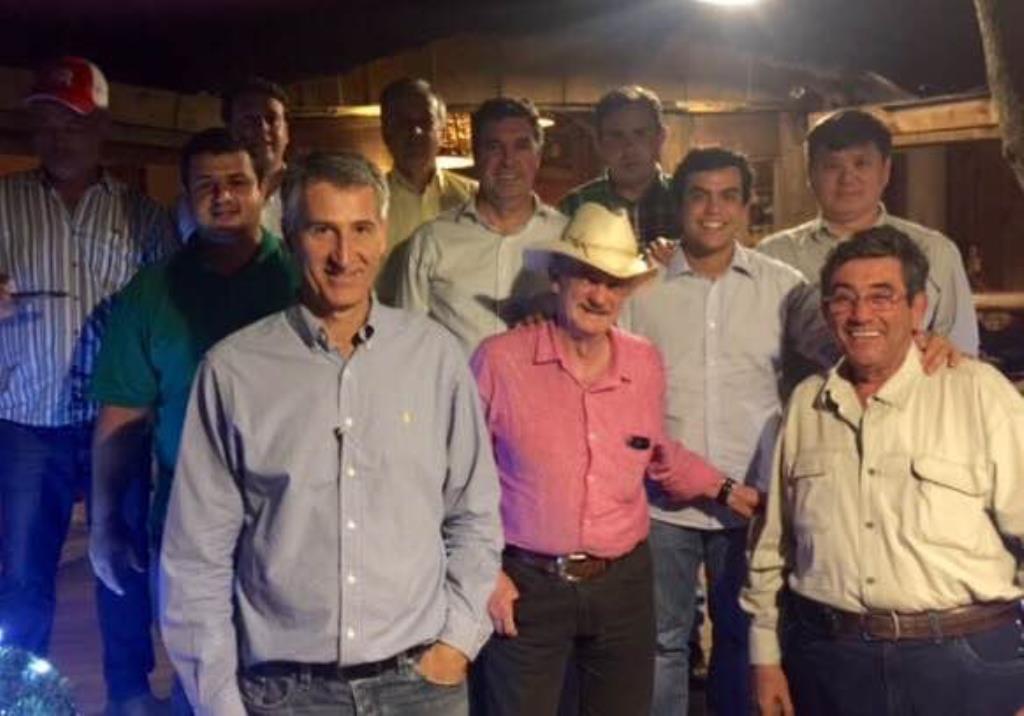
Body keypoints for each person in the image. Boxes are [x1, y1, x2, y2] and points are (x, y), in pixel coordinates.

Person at [160, 151, 502, 715]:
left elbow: (475, 513)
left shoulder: (435, 358)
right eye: (323, 231)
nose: (345, 255)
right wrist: (217, 701)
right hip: (284, 694)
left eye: (361, 229)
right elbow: (197, 555)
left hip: (419, 685)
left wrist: (457, 642)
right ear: (291, 236)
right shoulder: (234, 371)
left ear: (383, 235)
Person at [472, 202, 759, 716]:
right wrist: (485, 574)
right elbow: (460, 479)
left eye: (614, 283)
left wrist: (726, 490)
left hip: (624, 586)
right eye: (588, 277)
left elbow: (656, 452)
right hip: (527, 583)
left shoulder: (643, 361)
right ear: (557, 277)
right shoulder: (499, 360)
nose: (600, 295)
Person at [743, 226, 1024, 715]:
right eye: (844, 298)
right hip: (830, 661)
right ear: (827, 312)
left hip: (964, 662)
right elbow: (773, 545)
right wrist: (765, 657)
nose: (860, 315)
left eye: (882, 297)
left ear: (918, 309)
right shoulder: (807, 404)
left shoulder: (979, 393)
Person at [89, 126, 299, 714]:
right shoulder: (151, 293)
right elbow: (121, 417)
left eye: (237, 182)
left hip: (294, 522)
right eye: (206, 185)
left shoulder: (301, 280)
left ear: (263, 188)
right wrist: (105, 523)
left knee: (291, 679)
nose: (223, 196)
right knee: (199, 682)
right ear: (185, 197)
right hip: (189, 521)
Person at [621, 147, 832, 716]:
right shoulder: (641, 287)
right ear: (679, 204)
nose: (713, 210)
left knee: (743, 640)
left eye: (728, 196)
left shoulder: (783, 287)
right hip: (659, 502)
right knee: (661, 643)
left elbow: (833, 359)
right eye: (699, 195)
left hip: (753, 500)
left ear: (746, 206)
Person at [0, 56, 176, 715]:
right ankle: (22, 699)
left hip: (118, 420)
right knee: (24, 573)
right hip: (26, 416)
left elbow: (168, 310)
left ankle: (128, 692)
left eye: (73, 124)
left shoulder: (144, 216)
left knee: (121, 562)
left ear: (102, 126)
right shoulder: (3, 202)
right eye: (46, 124)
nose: (58, 138)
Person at [757, 109, 978, 358]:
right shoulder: (772, 256)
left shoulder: (935, 251)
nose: (847, 178)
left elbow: (962, 355)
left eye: (861, 164)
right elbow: (751, 352)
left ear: (885, 170)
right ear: (810, 174)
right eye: (832, 166)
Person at [397, 97, 566, 354]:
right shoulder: (431, 241)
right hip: (456, 383)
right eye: (494, 147)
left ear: (538, 156)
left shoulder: (568, 237)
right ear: (476, 155)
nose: (508, 161)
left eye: (521, 146)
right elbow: (407, 344)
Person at [375, 78, 477, 305]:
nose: (416, 132)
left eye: (425, 121)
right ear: (386, 131)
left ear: (441, 129)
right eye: (403, 123)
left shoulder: (475, 197)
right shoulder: (367, 201)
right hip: (390, 323)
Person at [559, 86, 677, 249]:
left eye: (640, 133)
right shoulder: (574, 206)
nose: (629, 147)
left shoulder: (685, 198)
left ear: (660, 137)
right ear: (598, 143)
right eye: (616, 136)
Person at [175, 77, 290, 240]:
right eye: (248, 120)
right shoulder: (196, 204)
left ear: (286, 132)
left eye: (272, 119)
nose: (263, 127)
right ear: (229, 129)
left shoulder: (308, 193)